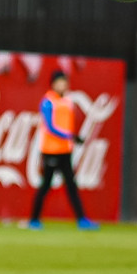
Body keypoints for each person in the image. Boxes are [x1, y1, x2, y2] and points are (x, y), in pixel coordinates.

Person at [27, 69, 99, 231]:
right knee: (46, 185)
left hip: (65, 150)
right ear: (53, 84)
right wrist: (70, 136)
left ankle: (82, 219)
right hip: (51, 150)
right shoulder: (48, 102)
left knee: (71, 185)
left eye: (64, 82)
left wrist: (70, 139)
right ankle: (34, 220)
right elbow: (50, 127)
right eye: (59, 82)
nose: (63, 85)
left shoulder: (67, 101)